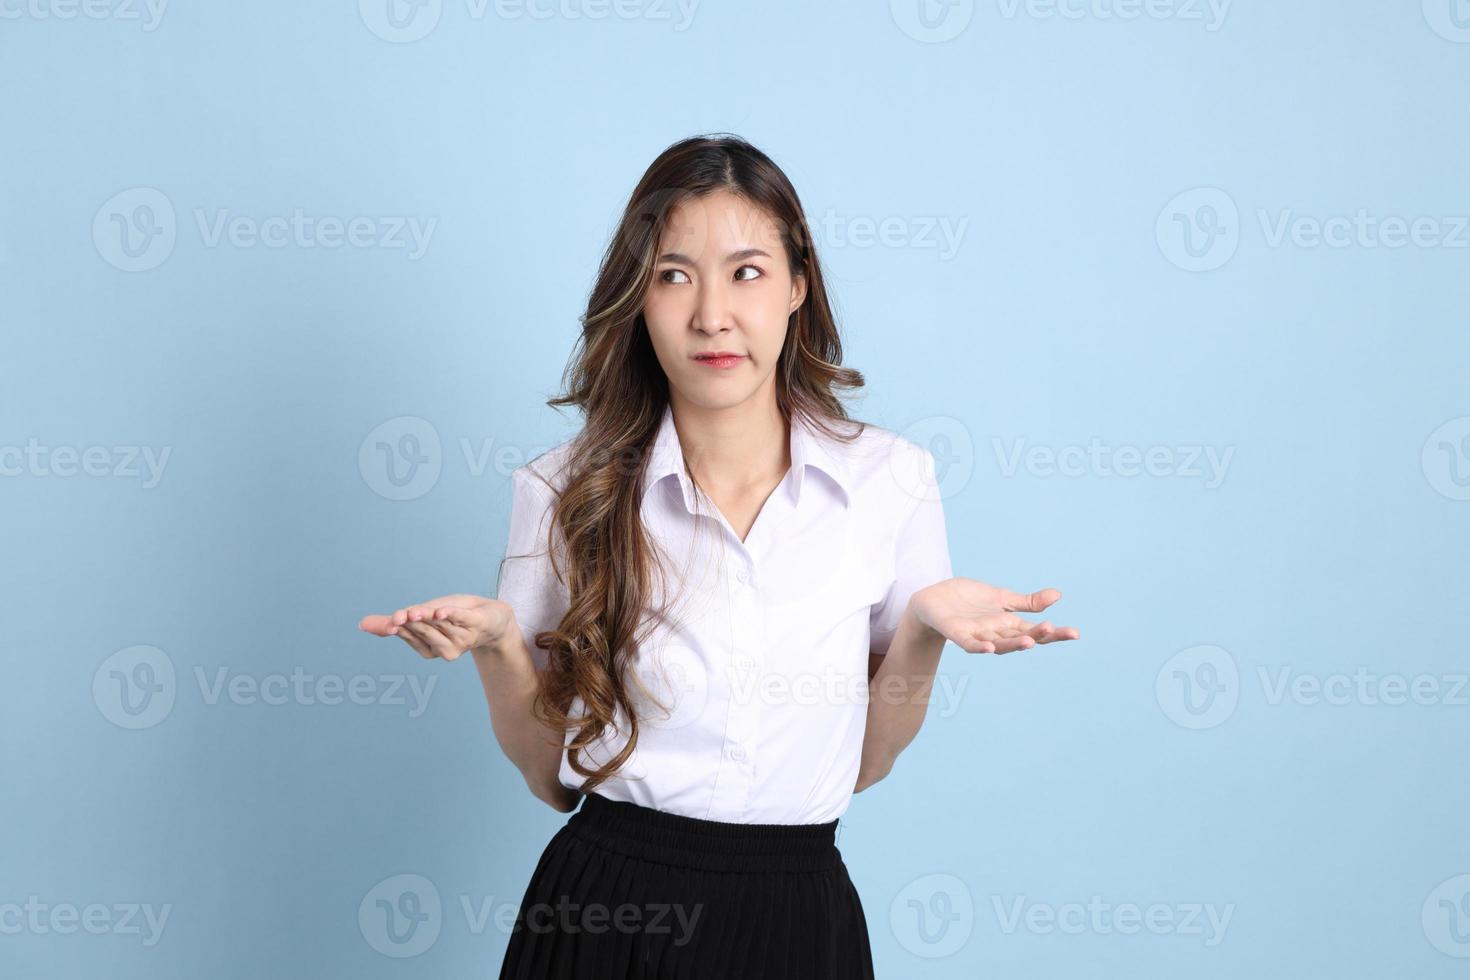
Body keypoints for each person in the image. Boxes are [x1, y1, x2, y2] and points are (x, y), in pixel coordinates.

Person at [358, 133, 1079, 978]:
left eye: (747, 272)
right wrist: (498, 648)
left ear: (798, 285)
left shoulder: (892, 481)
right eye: (673, 275)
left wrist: (921, 629)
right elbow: (551, 780)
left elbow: (866, 766)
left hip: (797, 916)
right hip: (604, 911)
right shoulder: (564, 490)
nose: (711, 315)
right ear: (637, 296)